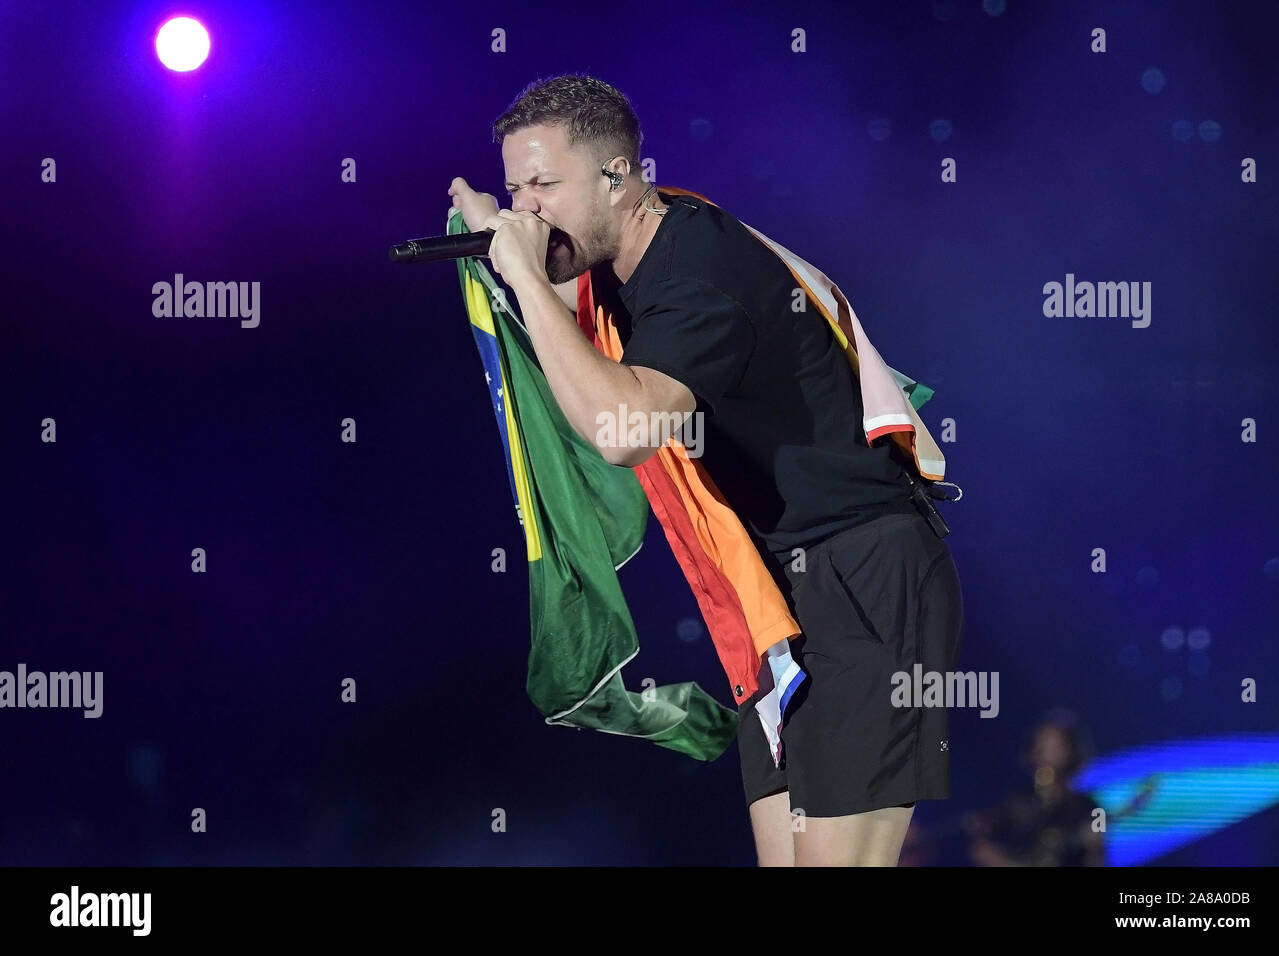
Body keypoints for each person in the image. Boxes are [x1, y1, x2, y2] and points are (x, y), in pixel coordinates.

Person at [448, 73, 964, 867]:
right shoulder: (623, 267)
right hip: (773, 598)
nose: (526, 210)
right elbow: (571, 337)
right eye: (517, 188)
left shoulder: (698, 269)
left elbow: (622, 428)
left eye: (545, 184)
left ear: (619, 176)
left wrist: (519, 272)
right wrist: (513, 254)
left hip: (861, 574)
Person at [965, 711, 1106, 867]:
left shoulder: (1087, 809)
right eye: (1039, 746)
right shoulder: (1018, 804)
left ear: (1070, 752)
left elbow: (1096, 858)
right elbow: (982, 843)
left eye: (1053, 747)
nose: (1042, 754)